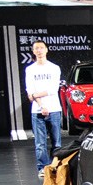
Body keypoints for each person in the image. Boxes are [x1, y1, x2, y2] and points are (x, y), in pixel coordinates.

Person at [24, 40, 63, 178]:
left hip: (54, 109)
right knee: (40, 143)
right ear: (33, 51)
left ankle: (56, 166)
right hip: (37, 110)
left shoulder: (54, 68)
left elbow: (53, 89)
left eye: (41, 48)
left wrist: (35, 95)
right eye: (36, 48)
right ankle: (42, 168)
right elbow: (30, 90)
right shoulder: (30, 69)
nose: (39, 50)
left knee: (56, 142)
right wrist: (41, 105)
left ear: (46, 49)